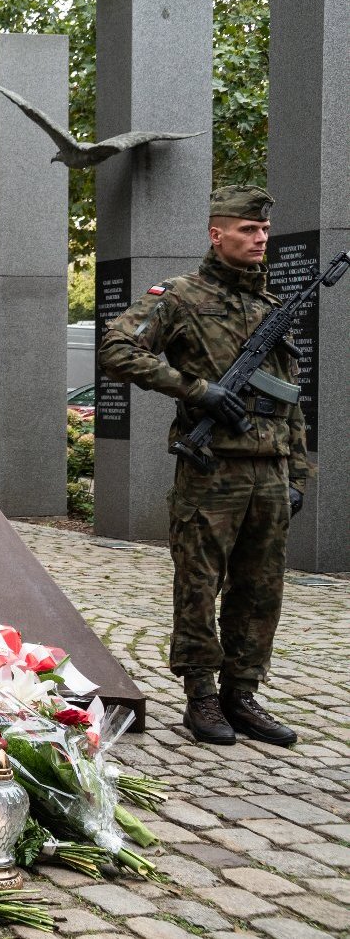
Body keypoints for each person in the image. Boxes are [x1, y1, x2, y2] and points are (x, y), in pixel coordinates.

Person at [98, 185, 310, 748]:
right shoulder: (180, 297)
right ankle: (202, 698)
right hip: (212, 471)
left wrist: (298, 475)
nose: (260, 237)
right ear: (217, 234)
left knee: (261, 589)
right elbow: (118, 348)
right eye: (247, 229)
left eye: (264, 230)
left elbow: (290, 399)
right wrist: (198, 390)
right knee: (199, 584)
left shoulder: (270, 308)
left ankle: (243, 694)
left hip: (270, 471)